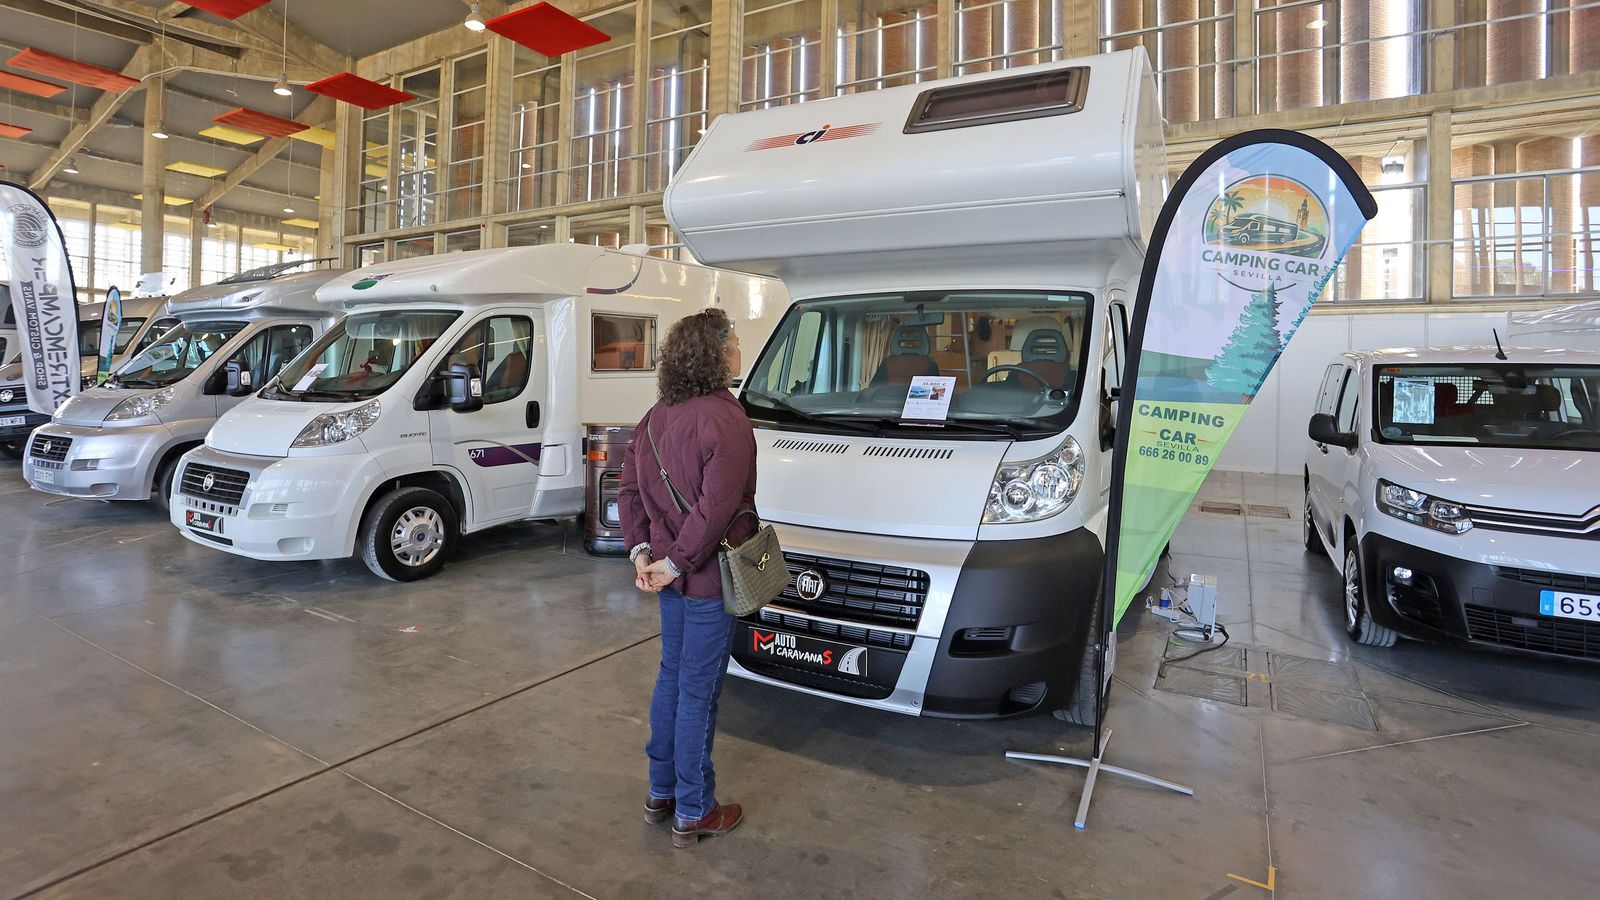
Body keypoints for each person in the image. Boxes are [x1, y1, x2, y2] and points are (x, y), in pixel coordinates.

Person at [617, 307, 756, 849]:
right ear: (716, 354)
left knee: (671, 679)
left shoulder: (655, 417)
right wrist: (678, 561)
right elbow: (717, 508)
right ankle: (695, 810)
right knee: (698, 691)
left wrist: (643, 554)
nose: (740, 350)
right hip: (708, 580)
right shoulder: (727, 418)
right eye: (734, 342)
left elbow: (629, 491)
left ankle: (661, 793)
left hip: (667, 579)